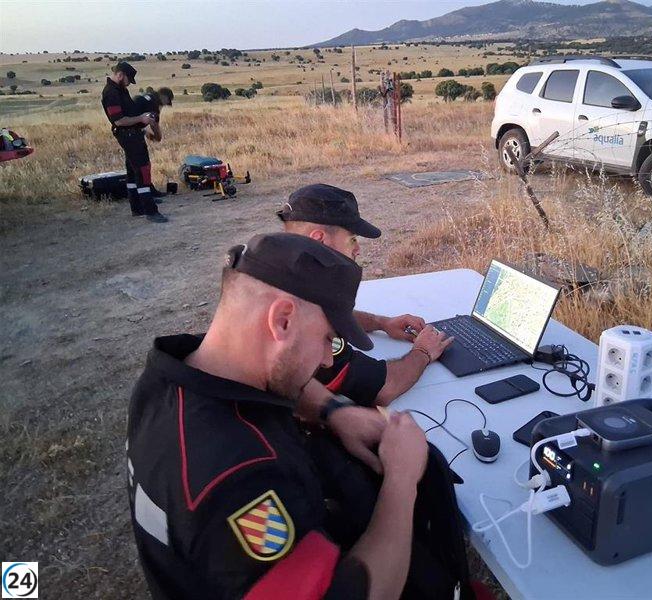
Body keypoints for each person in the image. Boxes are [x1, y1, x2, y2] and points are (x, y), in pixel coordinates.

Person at [126, 233, 475, 599]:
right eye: (327, 338)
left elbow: (275, 377)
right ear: (283, 321)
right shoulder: (239, 484)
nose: (327, 359)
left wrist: (334, 411)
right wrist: (402, 481)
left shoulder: (166, 380)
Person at [278, 183, 453, 407]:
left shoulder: (278, 270)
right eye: (352, 239)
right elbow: (382, 388)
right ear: (319, 240)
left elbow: (331, 315)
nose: (357, 249)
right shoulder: (301, 307)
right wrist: (423, 352)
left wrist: (382, 322)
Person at [101, 61, 167, 223]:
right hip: (128, 135)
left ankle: (136, 207)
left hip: (133, 134)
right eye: (128, 79)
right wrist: (141, 118)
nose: (129, 83)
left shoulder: (119, 90)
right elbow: (119, 121)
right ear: (120, 74)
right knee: (143, 170)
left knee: (132, 172)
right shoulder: (111, 93)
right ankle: (150, 211)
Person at [132, 87, 173, 198]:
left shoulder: (146, 98)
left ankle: (137, 195)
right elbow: (154, 126)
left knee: (133, 166)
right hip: (133, 133)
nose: (164, 106)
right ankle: (147, 194)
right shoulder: (153, 104)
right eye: (166, 102)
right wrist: (158, 137)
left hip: (129, 132)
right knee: (144, 164)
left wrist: (145, 132)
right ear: (164, 97)